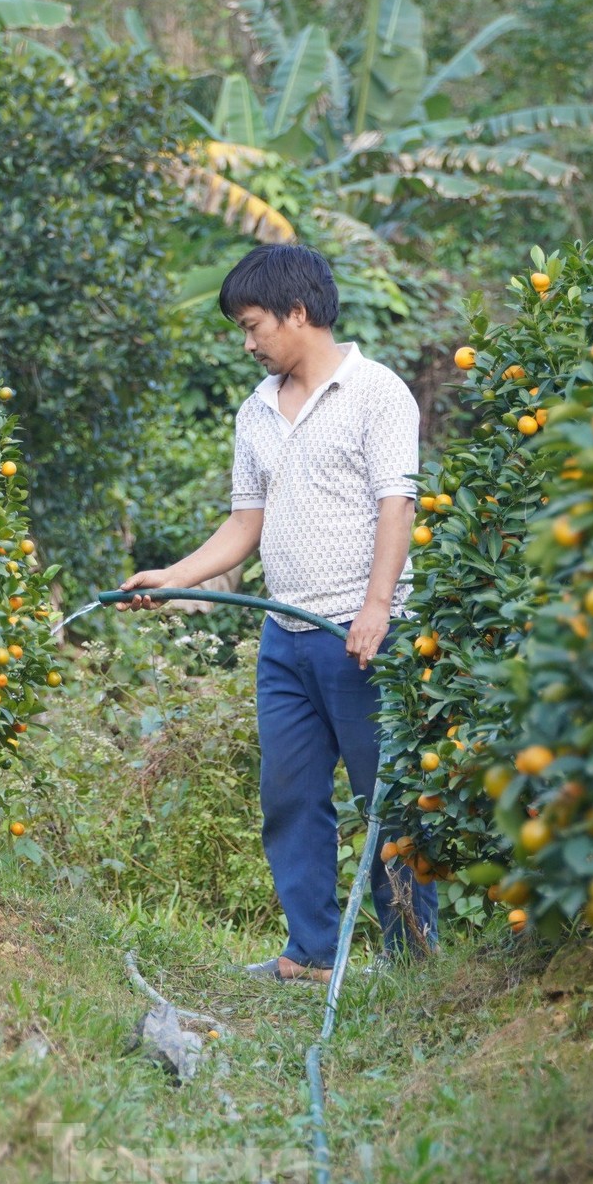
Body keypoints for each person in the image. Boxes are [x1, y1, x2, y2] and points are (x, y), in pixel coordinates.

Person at [117, 244, 438, 983]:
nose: (248, 341)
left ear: (298, 312)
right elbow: (243, 524)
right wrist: (171, 576)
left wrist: (377, 607)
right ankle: (314, 953)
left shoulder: (377, 392)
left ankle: (415, 959)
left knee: (385, 804)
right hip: (285, 636)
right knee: (290, 796)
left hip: (361, 636)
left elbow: (399, 503)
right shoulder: (255, 410)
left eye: (254, 324)